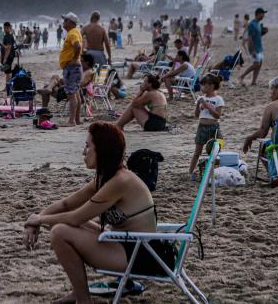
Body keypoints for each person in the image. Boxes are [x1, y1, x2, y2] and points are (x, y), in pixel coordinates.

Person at [23, 123, 169, 304]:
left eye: (87, 146)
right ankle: (79, 294)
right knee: (60, 224)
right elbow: (67, 203)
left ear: (102, 150)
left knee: (60, 231)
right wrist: (34, 220)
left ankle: (83, 299)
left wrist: (38, 219)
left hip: (141, 255)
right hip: (124, 243)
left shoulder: (120, 181)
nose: (83, 152)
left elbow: (77, 217)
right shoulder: (107, 177)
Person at [188, 74, 224, 179]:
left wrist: (207, 105)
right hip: (202, 126)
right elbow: (196, 115)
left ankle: (216, 171)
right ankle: (190, 172)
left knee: (216, 150)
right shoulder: (201, 98)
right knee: (197, 151)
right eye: (202, 85)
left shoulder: (218, 99)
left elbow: (217, 115)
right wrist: (198, 105)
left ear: (212, 86)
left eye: (204, 85)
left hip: (213, 126)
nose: (202, 87)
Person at [59, 12, 84, 127]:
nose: (63, 23)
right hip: (75, 67)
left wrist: (74, 59)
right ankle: (77, 120)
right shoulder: (75, 32)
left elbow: (77, 46)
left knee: (71, 94)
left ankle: (71, 121)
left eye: (65, 20)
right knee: (76, 93)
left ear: (71, 22)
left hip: (72, 67)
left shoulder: (73, 33)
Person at [239, 8, 267, 86]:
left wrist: (264, 32)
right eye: (263, 14)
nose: (264, 15)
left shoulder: (258, 23)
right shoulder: (252, 24)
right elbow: (250, 38)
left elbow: (257, 35)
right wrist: (253, 50)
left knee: (259, 64)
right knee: (256, 64)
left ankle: (254, 81)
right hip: (254, 48)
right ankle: (242, 76)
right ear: (258, 14)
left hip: (260, 47)